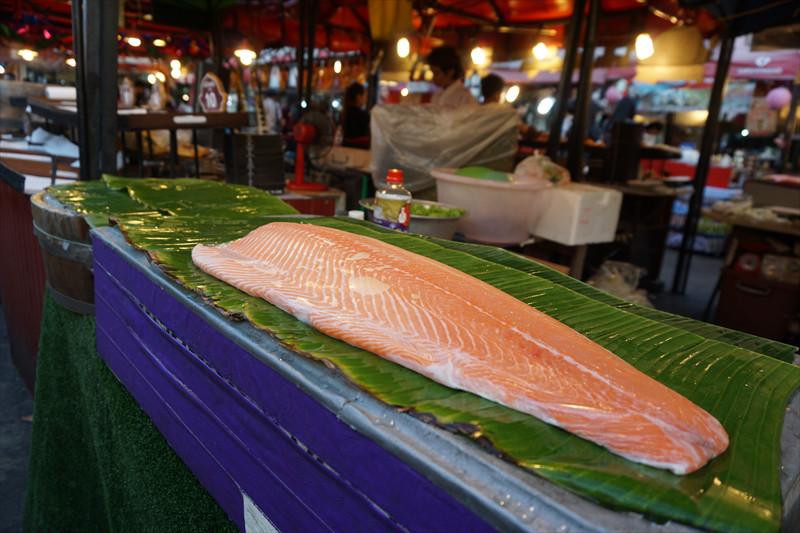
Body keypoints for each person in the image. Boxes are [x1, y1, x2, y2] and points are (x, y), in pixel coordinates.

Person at [341, 82, 370, 148]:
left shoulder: (346, 112)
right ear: (358, 97)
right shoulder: (361, 115)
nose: (366, 98)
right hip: (359, 149)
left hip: (346, 147)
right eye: (365, 95)